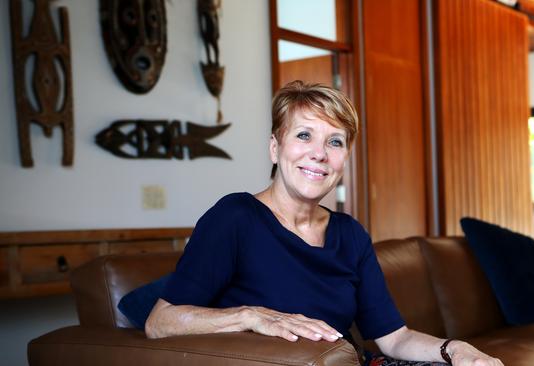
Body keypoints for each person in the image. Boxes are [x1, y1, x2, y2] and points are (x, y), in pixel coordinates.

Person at [145, 81, 503, 366]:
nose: (319, 153)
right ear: (275, 147)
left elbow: (394, 338)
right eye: (304, 135)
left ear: (344, 158)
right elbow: (160, 322)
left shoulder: (350, 234)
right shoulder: (235, 217)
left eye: (335, 141)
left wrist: (455, 350)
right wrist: (250, 317)